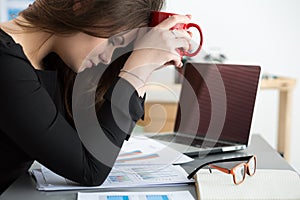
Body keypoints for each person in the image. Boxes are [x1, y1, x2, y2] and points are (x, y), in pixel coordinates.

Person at [0, 0, 192, 193]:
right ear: (82, 6)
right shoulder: (5, 64)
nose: (108, 58)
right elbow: (90, 169)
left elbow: (93, 140)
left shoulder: (48, 61)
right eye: (112, 41)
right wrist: (138, 70)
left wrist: (142, 62)